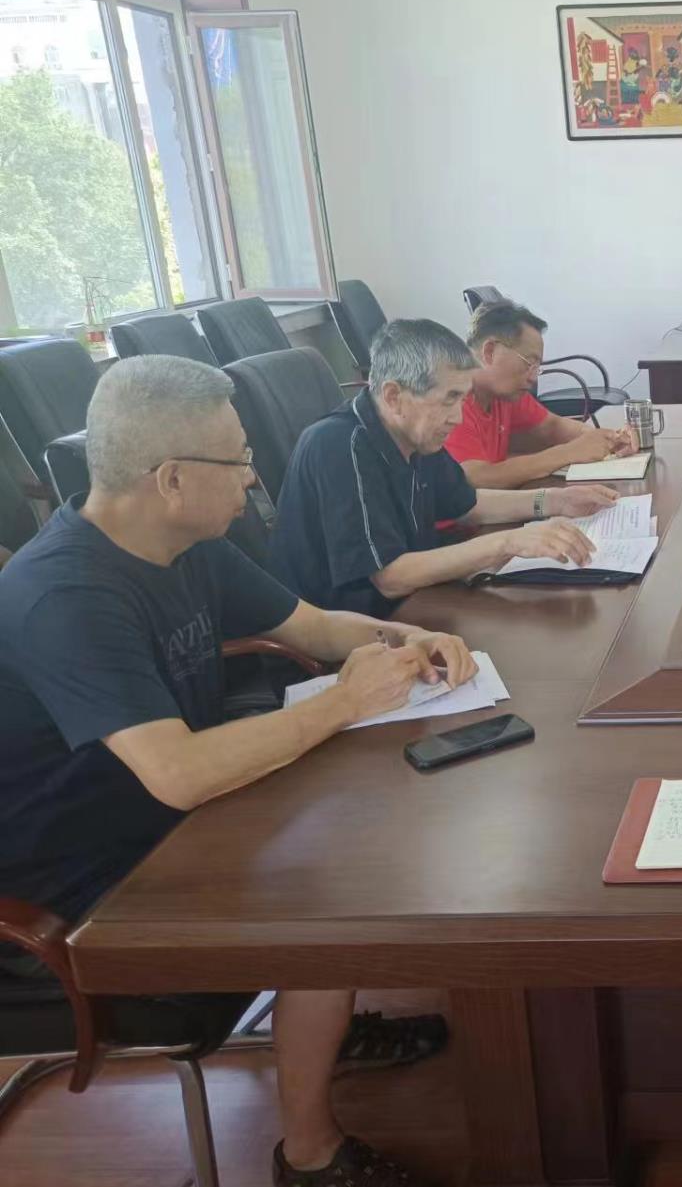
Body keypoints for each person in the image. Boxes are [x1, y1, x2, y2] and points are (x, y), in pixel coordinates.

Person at [0, 355, 478, 1187]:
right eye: (239, 459)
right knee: (330, 906)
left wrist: (409, 639)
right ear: (171, 478)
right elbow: (178, 773)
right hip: (85, 890)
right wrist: (341, 704)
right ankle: (310, 1156)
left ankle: (324, 1024)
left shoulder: (187, 543)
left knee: (373, 818)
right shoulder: (65, 594)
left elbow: (315, 625)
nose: (254, 478)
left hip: (165, 825)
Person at [271, 319, 612, 618]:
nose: (458, 417)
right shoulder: (339, 446)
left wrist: (554, 500)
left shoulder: (416, 434)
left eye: (462, 399)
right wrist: (509, 542)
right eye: (449, 399)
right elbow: (390, 577)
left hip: (411, 609)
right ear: (394, 396)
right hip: (351, 643)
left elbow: (467, 503)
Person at [448, 299, 637, 488]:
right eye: (529, 363)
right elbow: (473, 479)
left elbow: (551, 427)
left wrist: (608, 439)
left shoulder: (504, 395)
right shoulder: (452, 399)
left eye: (537, 367)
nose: (533, 378)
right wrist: (568, 453)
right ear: (490, 351)